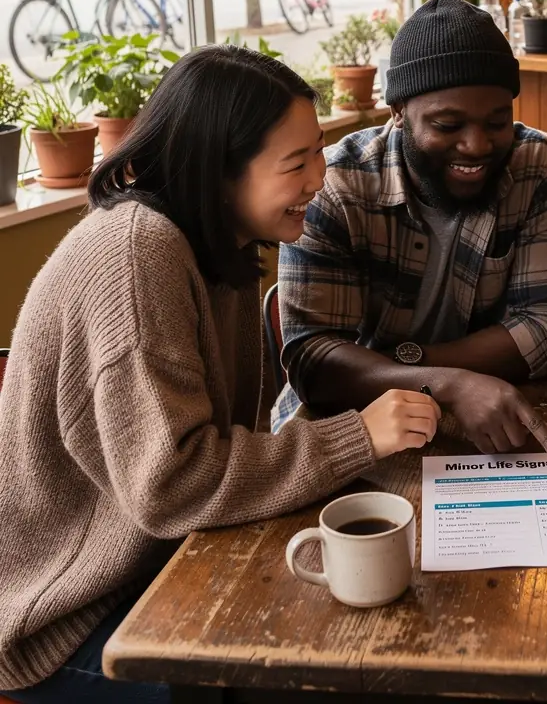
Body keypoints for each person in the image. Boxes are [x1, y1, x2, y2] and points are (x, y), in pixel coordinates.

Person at [0, 46, 440, 704]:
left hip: (161, 565)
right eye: (297, 163)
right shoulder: (138, 255)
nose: (319, 178)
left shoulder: (219, 244)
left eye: (318, 150)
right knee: (316, 668)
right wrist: (357, 438)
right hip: (65, 616)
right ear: (219, 170)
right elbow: (174, 487)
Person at [272, 0, 547, 456]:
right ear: (397, 112)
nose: (476, 145)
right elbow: (314, 359)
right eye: (447, 125)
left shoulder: (540, 167)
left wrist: (422, 372)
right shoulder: (336, 185)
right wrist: (447, 384)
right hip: (349, 427)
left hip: (492, 412)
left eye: (497, 122)